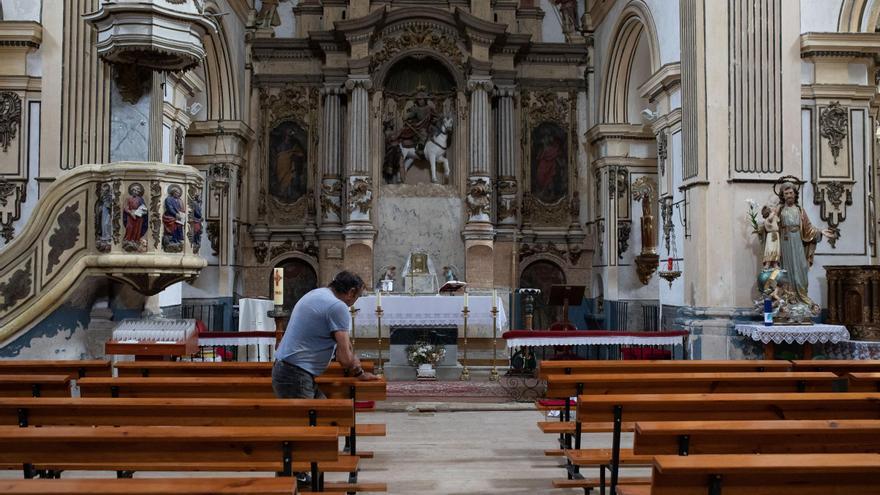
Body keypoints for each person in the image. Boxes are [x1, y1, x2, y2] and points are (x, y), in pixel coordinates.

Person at [273, 270, 379, 401]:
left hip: (288, 369)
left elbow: (344, 344)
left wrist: (352, 359)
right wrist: (359, 373)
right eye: (357, 297)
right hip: (295, 374)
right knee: (311, 420)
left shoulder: (319, 293)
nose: (355, 302)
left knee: (326, 417)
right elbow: (344, 358)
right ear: (351, 292)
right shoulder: (337, 306)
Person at [774, 181, 836, 310]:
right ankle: (788, 299)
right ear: (783, 196)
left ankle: (802, 298)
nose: (789, 195)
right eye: (786, 193)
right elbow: (771, 226)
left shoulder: (800, 210)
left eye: (791, 193)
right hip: (785, 244)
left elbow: (808, 229)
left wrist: (821, 232)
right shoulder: (779, 210)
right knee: (786, 271)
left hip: (797, 243)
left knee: (801, 269)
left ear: (795, 194)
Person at [761, 205, 780, 269]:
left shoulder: (774, 217)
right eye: (771, 208)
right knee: (770, 249)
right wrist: (774, 212)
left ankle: (775, 263)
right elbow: (770, 218)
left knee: (776, 249)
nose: (773, 208)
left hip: (776, 235)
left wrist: (776, 212)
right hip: (771, 235)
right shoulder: (768, 219)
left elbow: (778, 220)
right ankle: (768, 263)